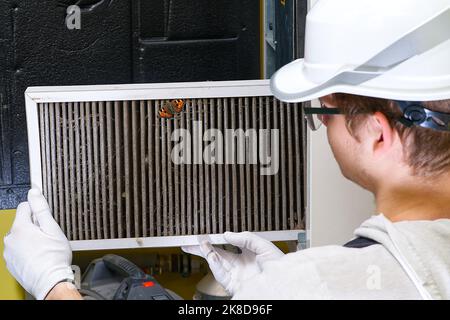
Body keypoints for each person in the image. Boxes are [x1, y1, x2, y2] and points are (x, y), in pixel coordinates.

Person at [3, 0, 450, 300]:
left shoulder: (316, 286)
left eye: (325, 110)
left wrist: (54, 286)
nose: (319, 121)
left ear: (376, 132)